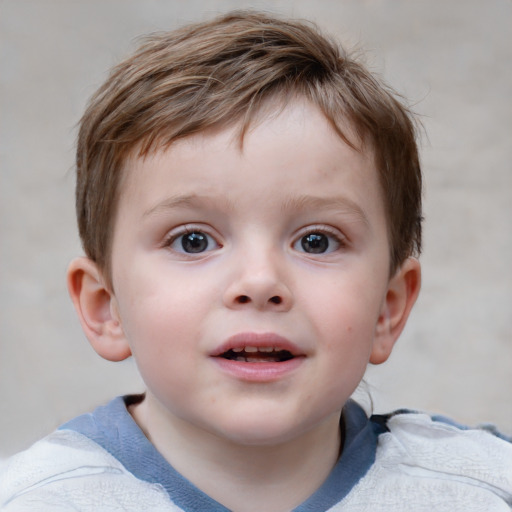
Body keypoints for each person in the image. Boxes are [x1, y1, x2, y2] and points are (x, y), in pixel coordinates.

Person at [1, 10, 510, 512]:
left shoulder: (482, 490)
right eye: (193, 241)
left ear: (387, 308)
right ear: (105, 307)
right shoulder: (36, 500)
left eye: (316, 242)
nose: (260, 282)